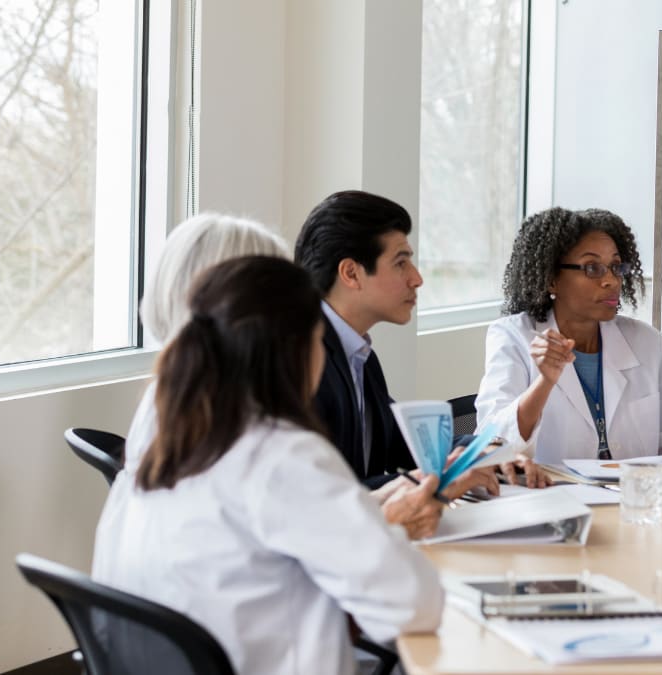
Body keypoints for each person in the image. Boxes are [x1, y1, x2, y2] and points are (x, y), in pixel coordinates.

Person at [93, 256, 443, 675]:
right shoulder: (283, 454)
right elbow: (411, 606)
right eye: (320, 338)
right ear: (296, 350)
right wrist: (388, 531)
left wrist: (371, 514)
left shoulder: (166, 437)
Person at [126, 212, 444, 539]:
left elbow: (314, 513)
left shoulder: (164, 408)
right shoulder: (268, 440)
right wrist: (390, 519)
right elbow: (403, 581)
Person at [294, 190, 549, 489]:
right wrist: (432, 482)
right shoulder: (300, 359)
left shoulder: (359, 356)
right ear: (351, 273)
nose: (417, 278)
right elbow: (319, 496)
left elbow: (406, 444)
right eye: (401, 263)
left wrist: (485, 451)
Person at [475, 206, 662, 464]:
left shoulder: (647, 343)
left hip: (634, 500)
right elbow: (493, 445)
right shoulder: (513, 336)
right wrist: (545, 381)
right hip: (552, 502)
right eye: (592, 268)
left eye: (616, 266)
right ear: (550, 278)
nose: (611, 280)